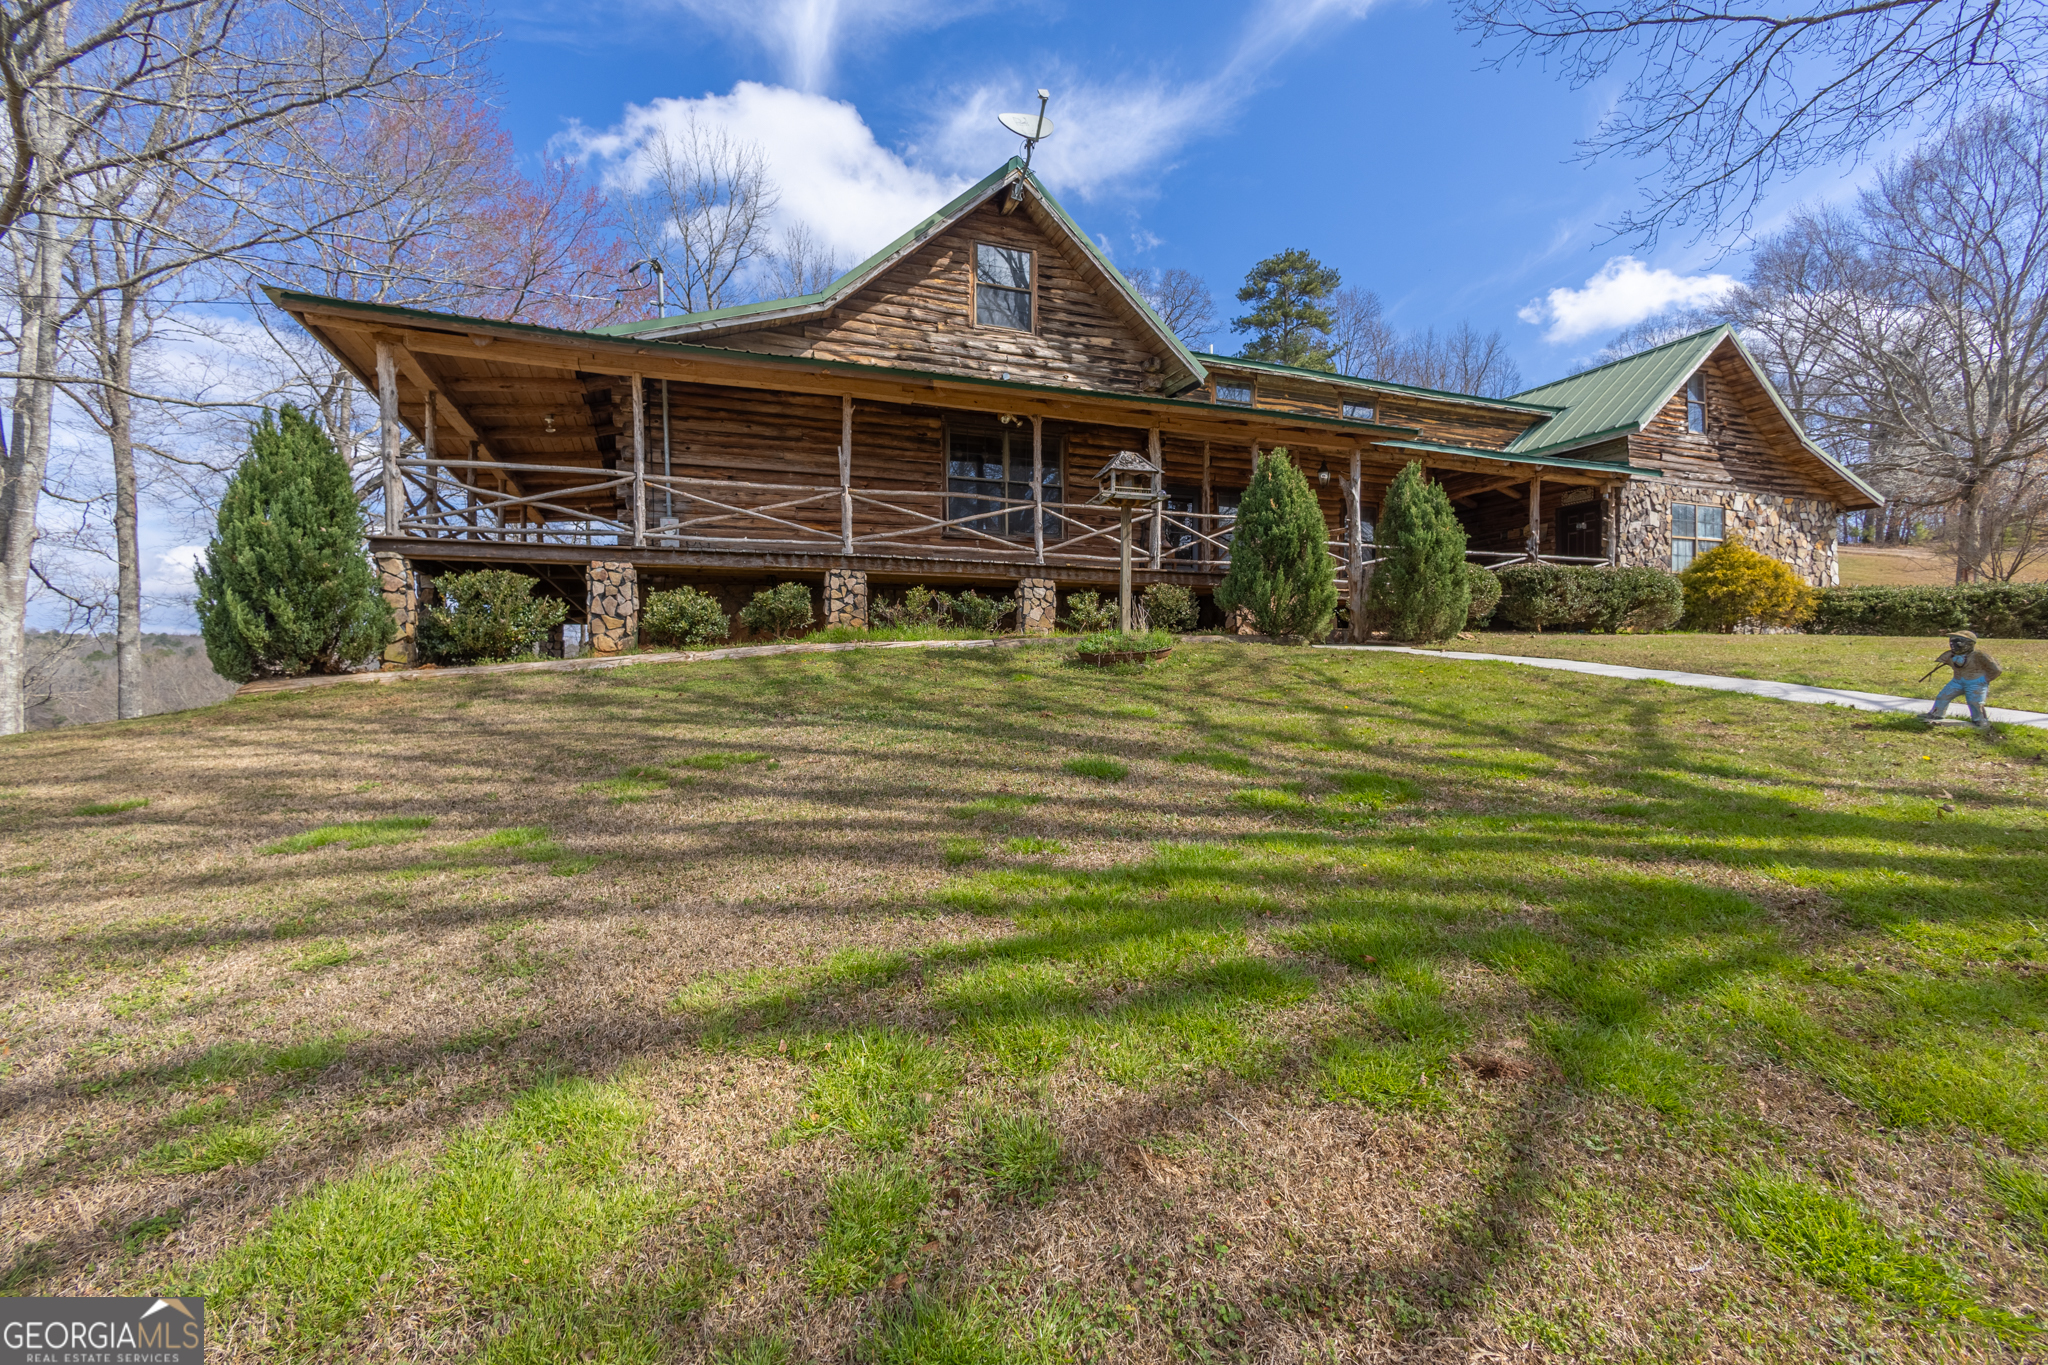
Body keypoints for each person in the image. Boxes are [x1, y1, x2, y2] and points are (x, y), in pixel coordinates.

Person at [1923, 630, 2001, 730]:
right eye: (1951, 641)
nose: (1953, 644)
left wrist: (1985, 680)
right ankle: (1936, 714)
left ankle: (1980, 720)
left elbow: (1996, 669)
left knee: (1975, 702)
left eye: (1957, 642)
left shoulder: (1979, 656)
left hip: (1976, 682)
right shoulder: (1950, 655)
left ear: (1969, 644)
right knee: (1943, 696)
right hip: (1957, 681)